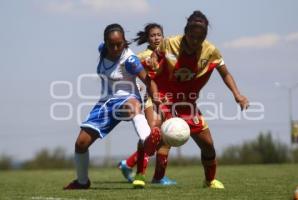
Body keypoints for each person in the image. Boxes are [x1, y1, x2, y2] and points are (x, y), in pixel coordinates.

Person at [132, 10, 249, 189]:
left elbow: (225, 74)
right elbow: (152, 73)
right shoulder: (169, 43)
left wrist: (238, 95)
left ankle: (209, 181)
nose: (195, 42)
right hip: (163, 97)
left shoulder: (211, 51)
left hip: (187, 103)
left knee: (208, 145)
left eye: (199, 38)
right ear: (185, 32)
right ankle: (140, 174)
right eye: (192, 37)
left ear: (205, 37)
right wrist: (155, 93)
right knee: (153, 129)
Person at [63, 23, 161, 190]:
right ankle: (82, 181)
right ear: (105, 42)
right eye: (111, 44)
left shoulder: (129, 60)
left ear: (124, 41)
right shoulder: (102, 49)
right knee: (80, 144)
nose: (116, 48)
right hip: (106, 103)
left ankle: (148, 140)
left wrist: (156, 97)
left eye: (119, 44)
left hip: (127, 99)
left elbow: (148, 81)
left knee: (133, 106)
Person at [118, 23, 176, 185]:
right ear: (147, 38)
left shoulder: (169, 54)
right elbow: (130, 72)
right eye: (152, 35)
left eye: (159, 34)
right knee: (153, 135)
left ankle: (151, 173)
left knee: (166, 138)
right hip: (151, 99)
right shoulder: (143, 56)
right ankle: (141, 173)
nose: (156, 38)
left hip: (168, 99)